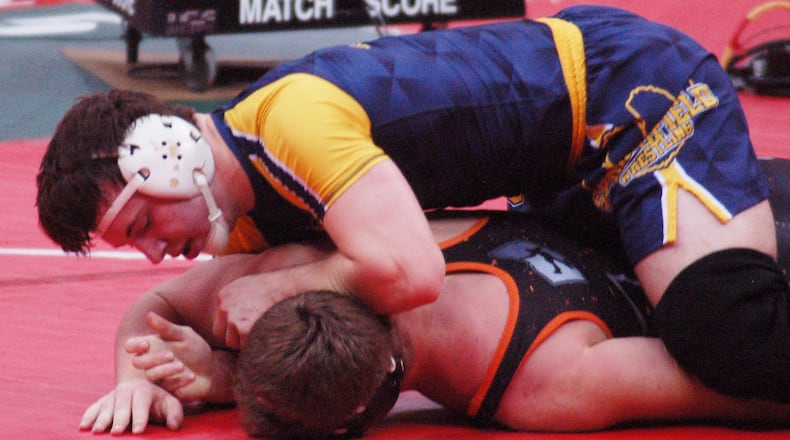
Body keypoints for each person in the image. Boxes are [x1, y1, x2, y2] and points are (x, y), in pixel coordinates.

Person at [38, 5, 789, 402]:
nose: (151, 254)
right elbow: (164, 307)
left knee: (717, 326)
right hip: (561, 173)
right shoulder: (237, 217)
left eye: (139, 225)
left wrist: (291, 282)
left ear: (164, 160)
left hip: (628, 98)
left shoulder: (290, 121)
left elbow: (414, 270)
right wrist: (135, 376)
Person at [79, 210, 789, 437]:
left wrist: (219, 378)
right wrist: (139, 370)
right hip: (710, 219)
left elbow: (750, 385)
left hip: (752, 277)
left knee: (734, 333)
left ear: (358, 417)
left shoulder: (543, 384)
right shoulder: (343, 254)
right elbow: (161, 306)